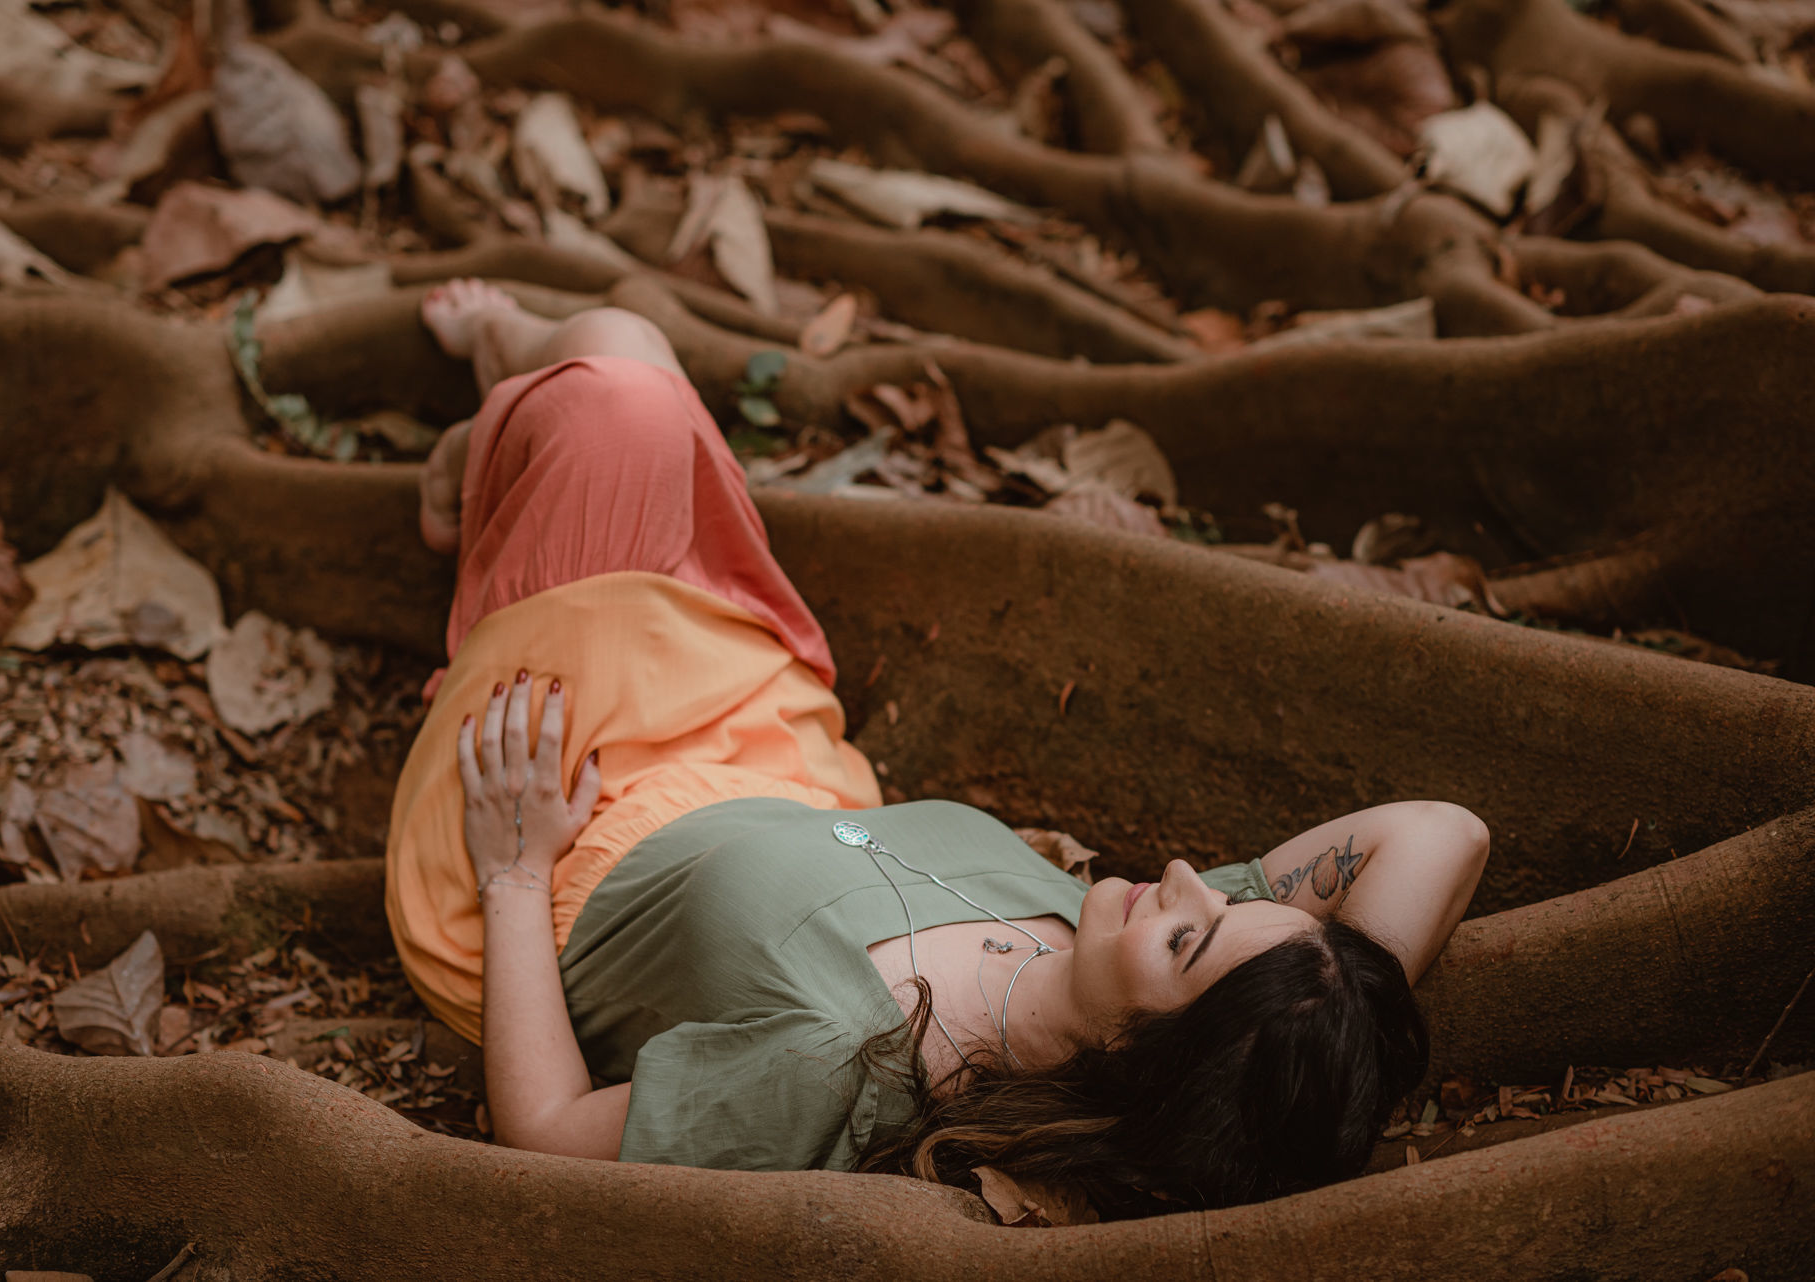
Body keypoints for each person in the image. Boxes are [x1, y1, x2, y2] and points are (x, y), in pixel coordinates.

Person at [385, 280, 1490, 1219]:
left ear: (1141, 1064)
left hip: (567, 812)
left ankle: (496, 421)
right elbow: (1442, 833)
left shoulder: (834, 1066)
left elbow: (544, 1136)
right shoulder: (1106, 939)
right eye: (1224, 907)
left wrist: (516, 872)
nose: (1186, 883)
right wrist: (1339, 1010)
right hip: (751, 730)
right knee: (626, 370)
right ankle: (493, 451)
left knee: (621, 370)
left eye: (1190, 942)